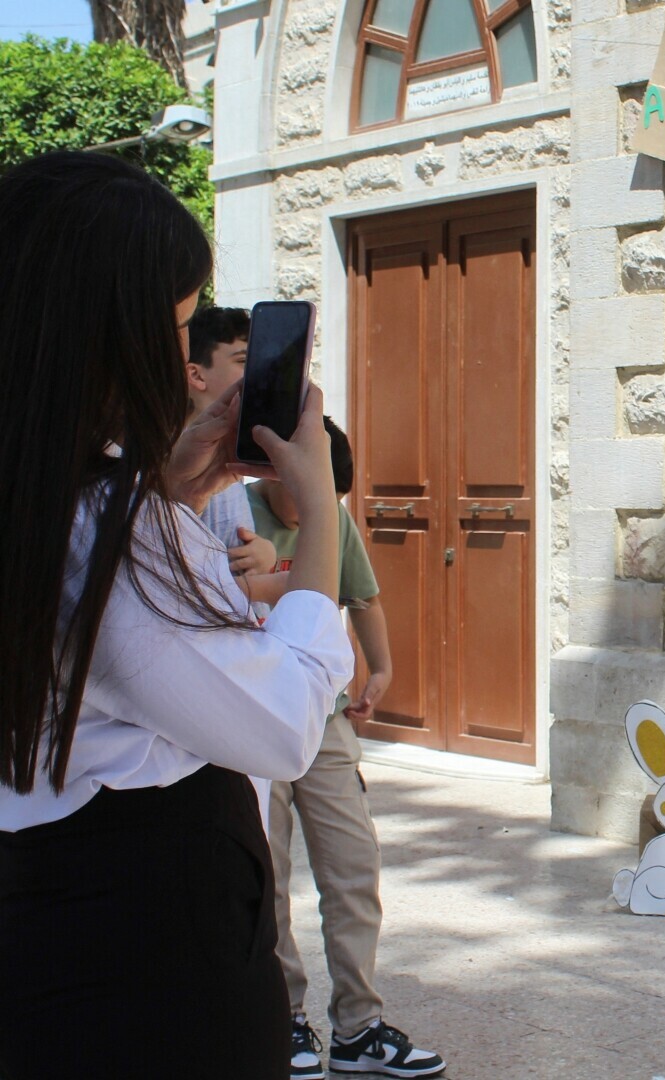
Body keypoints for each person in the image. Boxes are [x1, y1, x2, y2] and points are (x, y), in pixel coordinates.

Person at [0, 151, 351, 1078]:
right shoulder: (94, 538)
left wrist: (165, 494)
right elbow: (281, 728)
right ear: (103, 335)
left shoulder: (51, 515)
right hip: (143, 960)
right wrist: (321, 516)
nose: (191, 368)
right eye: (182, 328)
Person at [249, 422, 444, 1080]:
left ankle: (359, 1027)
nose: (318, 501)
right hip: (252, 719)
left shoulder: (330, 516)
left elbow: (361, 594)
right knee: (267, 878)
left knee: (353, 869)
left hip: (324, 720)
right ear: (280, 468)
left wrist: (380, 668)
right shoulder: (230, 509)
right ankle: (286, 1022)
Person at [186, 305, 284, 601]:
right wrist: (276, 586)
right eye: (244, 360)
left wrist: (266, 556)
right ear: (196, 375)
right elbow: (180, 580)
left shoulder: (230, 449)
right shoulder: (174, 461)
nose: (259, 370)